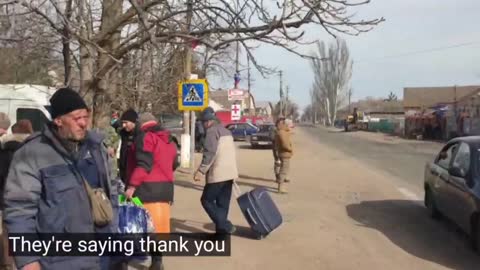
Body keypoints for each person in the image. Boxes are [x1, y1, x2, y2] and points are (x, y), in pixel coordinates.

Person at [3, 87, 119, 270]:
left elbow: (113, 190)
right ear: (58, 120)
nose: (83, 124)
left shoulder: (97, 148)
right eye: (76, 118)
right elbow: (20, 211)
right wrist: (28, 261)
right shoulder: (32, 155)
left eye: (85, 117)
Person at [124, 113, 177, 270]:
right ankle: (157, 263)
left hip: (146, 189)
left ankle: (123, 261)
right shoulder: (169, 139)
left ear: (142, 124)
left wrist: (131, 186)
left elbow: (143, 164)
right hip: (165, 190)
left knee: (135, 227)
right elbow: (175, 163)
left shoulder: (145, 137)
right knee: (158, 230)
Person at [194, 107, 238, 234]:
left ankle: (226, 225)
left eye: (203, 122)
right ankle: (221, 234)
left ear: (207, 122)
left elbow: (210, 153)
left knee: (206, 200)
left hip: (218, 174)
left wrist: (201, 171)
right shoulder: (226, 131)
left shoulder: (212, 132)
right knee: (222, 205)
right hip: (230, 173)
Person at [0, 118, 29, 270]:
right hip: (29, 200)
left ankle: (7, 264)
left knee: (7, 234)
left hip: (7, 200)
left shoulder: (4, 151)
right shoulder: (33, 151)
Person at [111, 108, 138, 185]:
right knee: (123, 194)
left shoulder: (139, 135)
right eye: (123, 123)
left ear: (133, 122)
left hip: (135, 175)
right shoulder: (123, 134)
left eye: (126, 122)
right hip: (124, 173)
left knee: (135, 196)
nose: (123, 125)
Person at [274, 117, 293, 194]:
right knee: (283, 170)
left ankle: (281, 186)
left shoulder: (282, 131)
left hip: (283, 153)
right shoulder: (282, 132)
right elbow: (285, 144)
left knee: (284, 169)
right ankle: (280, 187)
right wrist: (290, 149)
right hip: (284, 153)